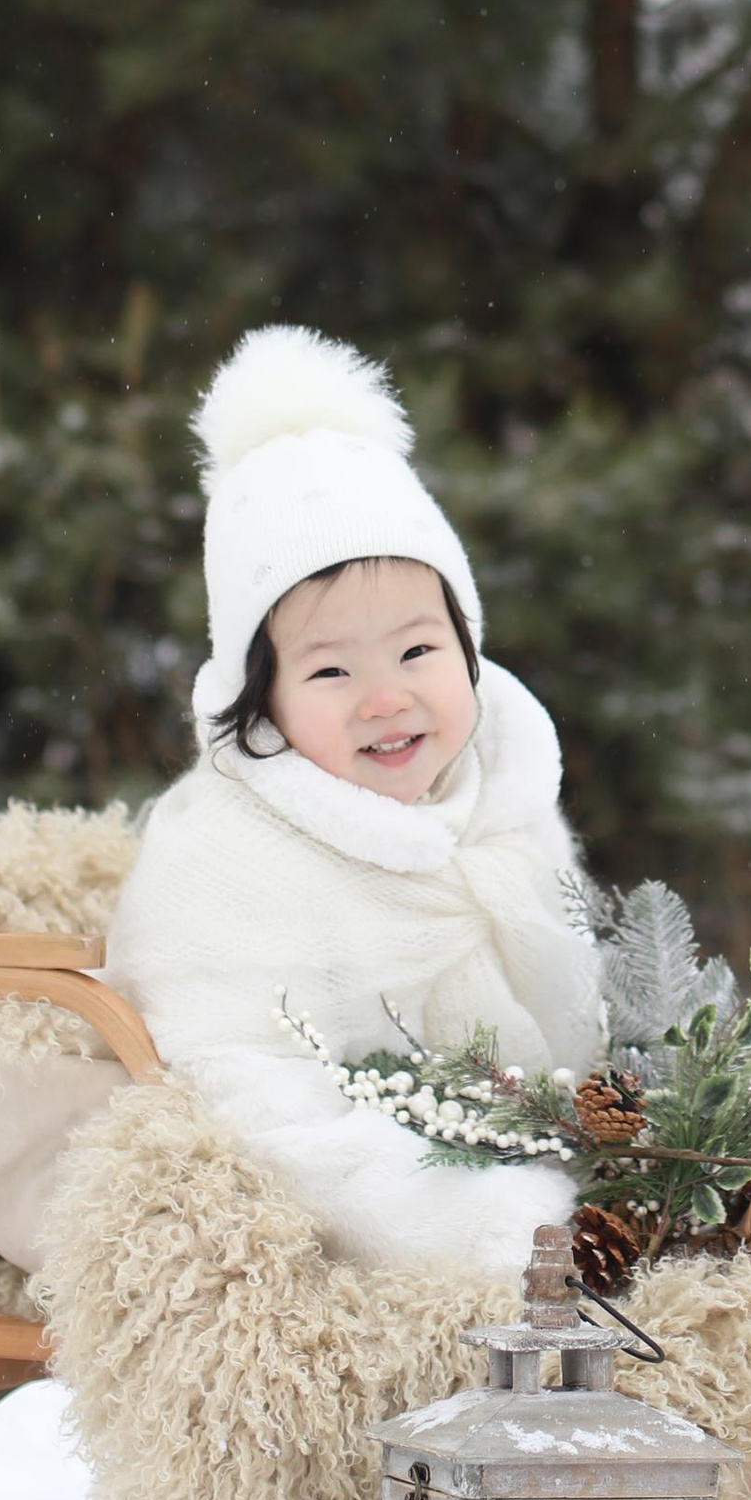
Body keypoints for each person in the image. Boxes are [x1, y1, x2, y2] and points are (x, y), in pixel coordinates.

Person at [105, 325, 604, 1277]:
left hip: (557, 1167)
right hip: (370, 1228)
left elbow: (582, 1010)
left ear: (469, 649)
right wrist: (458, 1215)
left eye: (418, 651)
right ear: (263, 702)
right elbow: (244, 1094)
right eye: (331, 670)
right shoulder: (223, 859)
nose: (386, 698)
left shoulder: (504, 805)